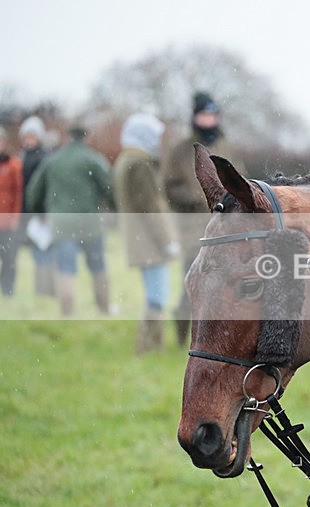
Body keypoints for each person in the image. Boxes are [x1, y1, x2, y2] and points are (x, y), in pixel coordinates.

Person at [163, 91, 243, 345]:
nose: (209, 120)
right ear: (195, 118)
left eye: (212, 115)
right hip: (194, 230)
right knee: (193, 284)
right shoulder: (180, 150)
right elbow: (169, 186)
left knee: (226, 287)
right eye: (204, 115)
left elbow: (242, 181)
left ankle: (219, 340)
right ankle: (181, 338)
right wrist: (198, 198)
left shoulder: (227, 147)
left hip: (228, 229)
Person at [26, 125, 115, 315]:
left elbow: (33, 194)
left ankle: (67, 312)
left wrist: (41, 213)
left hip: (62, 224)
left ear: (67, 136)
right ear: (86, 136)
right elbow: (109, 188)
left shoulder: (52, 161)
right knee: (98, 267)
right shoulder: (93, 160)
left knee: (66, 268)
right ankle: (105, 309)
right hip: (90, 222)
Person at [113, 113, 180, 353]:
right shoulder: (139, 163)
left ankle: (150, 347)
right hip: (149, 241)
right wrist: (168, 241)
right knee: (158, 296)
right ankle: (150, 347)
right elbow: (151, 206)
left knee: (154, 294)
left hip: (139, 239)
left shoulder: (125, 160)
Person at [18, 115, 55, 297]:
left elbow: (45, 188)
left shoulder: (44, 158)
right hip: (25, 212)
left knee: (43, 251)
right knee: (37, 251)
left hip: (40, 213)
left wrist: (44, 212)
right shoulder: (22, 158)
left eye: (32, 136)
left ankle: (46, 290)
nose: (29, 140)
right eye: (26, 136)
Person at [0, 127, 24, 296]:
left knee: (9, 258)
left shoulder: (14, 164)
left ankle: (8, 290)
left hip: (7, 223)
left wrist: (15, 219)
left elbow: (18, 194)